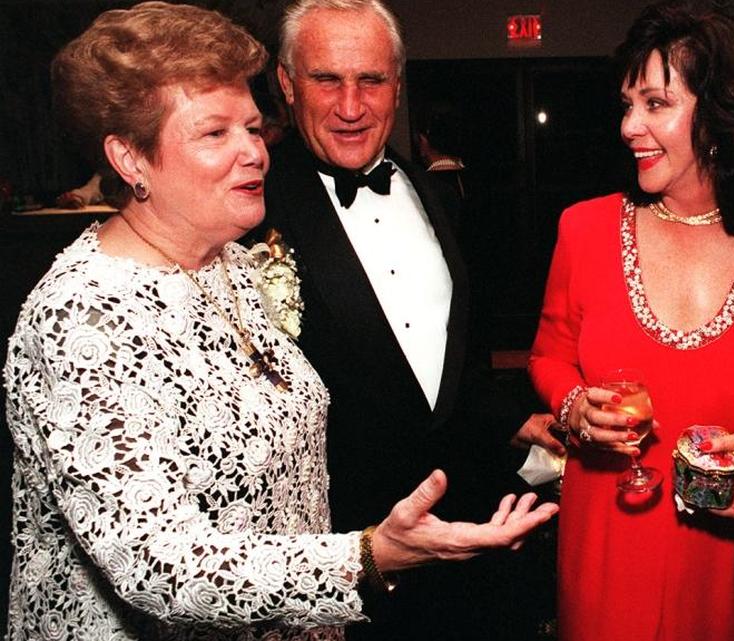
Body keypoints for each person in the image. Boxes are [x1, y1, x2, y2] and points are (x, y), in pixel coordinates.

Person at [3, 3, 557, 639]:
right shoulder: (83, 313)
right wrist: (369, 558)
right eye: (215, 134)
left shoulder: (233, 268)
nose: (254, 152)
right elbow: (156, 565)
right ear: (129, 159)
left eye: (250, 127)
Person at [528, 3, 734, 640]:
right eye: (627, 105)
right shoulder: (582, 228)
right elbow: (548, 355)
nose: (629, 126)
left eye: (655, 103)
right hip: (608, 526)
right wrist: (572, 407)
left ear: (723, 112)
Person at [259, 1, 560, 639]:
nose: (350, 105)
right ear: (286, 84)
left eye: (370, 80)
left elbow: (450, 367)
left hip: (465, 537)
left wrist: (513, 421)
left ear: (398, 83)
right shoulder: (248, 211)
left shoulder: (433, 193)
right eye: (325, 79)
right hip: (341, 558)